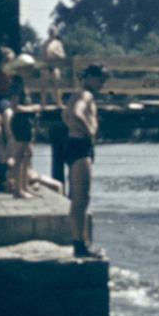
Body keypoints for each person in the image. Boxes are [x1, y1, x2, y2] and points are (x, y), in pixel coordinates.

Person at [62, 63, 104, 257]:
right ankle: (81, 244)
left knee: (77, 198)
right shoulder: (86, 95)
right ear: (89, 77)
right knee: (82, 198)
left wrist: (75, 127)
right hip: (81, 146)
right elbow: (76, 113)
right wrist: (90, 131)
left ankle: (79, 242)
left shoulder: (76, 93)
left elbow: (65, 114)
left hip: (73, 144)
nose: (102, 83)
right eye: (99, 79)